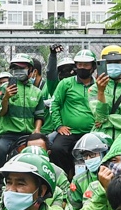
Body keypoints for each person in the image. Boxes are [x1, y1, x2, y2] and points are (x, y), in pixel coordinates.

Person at [42, 45, 101, 173]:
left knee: (99, 152)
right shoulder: (66, 84)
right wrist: (58, 126)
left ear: (93, 67)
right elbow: (55, 104)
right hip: (69, 132)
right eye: (79, 65)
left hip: (92, 131)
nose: (83, 68)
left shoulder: (99, 86)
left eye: (86, 65)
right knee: (57, 149)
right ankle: (65, 175)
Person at [0, 52, 49, 170]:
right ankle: (0, 179)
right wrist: (6, 97)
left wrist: (37, 130)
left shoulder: (37, 92)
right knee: (0, 149)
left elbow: (39, 115)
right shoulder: (5, 88)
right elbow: (1, 112)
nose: (19, 70)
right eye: (16, 68)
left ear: (31, 70)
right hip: (8, 134)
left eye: (22, 68)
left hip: (28, 134)